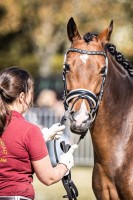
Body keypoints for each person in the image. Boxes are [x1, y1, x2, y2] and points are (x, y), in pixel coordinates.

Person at [0, 67, 77, 200]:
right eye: (31, 93)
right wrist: (64, 164)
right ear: (22, 97)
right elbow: (49, 177)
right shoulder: (29, 130)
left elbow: (11, 146)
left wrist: (42, 138)